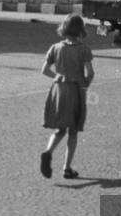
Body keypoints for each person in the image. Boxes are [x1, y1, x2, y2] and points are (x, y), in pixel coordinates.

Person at [40, 14, 94, 180]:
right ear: (80, 30)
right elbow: (90, 73)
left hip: (58, 90)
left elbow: (44, 70)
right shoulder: (83, 49)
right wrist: (86, 83)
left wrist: (57, 76)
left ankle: (48, 152)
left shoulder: (55, 47)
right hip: (75, 90)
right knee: (73, 131)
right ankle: (67, 167)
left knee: (60, 128)